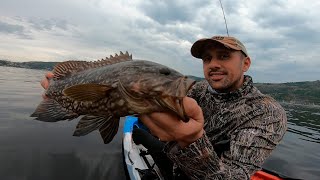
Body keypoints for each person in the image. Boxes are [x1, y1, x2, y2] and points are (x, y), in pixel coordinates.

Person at [40, 35, 287, 180]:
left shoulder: (267, 113)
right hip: (174, 161)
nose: (213, 64)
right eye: (207, 58)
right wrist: (66, 95)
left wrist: (192, 141)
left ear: (246, 63)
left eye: (223, 56)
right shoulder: (199, 90)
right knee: (137, 131)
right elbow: (140, 94)